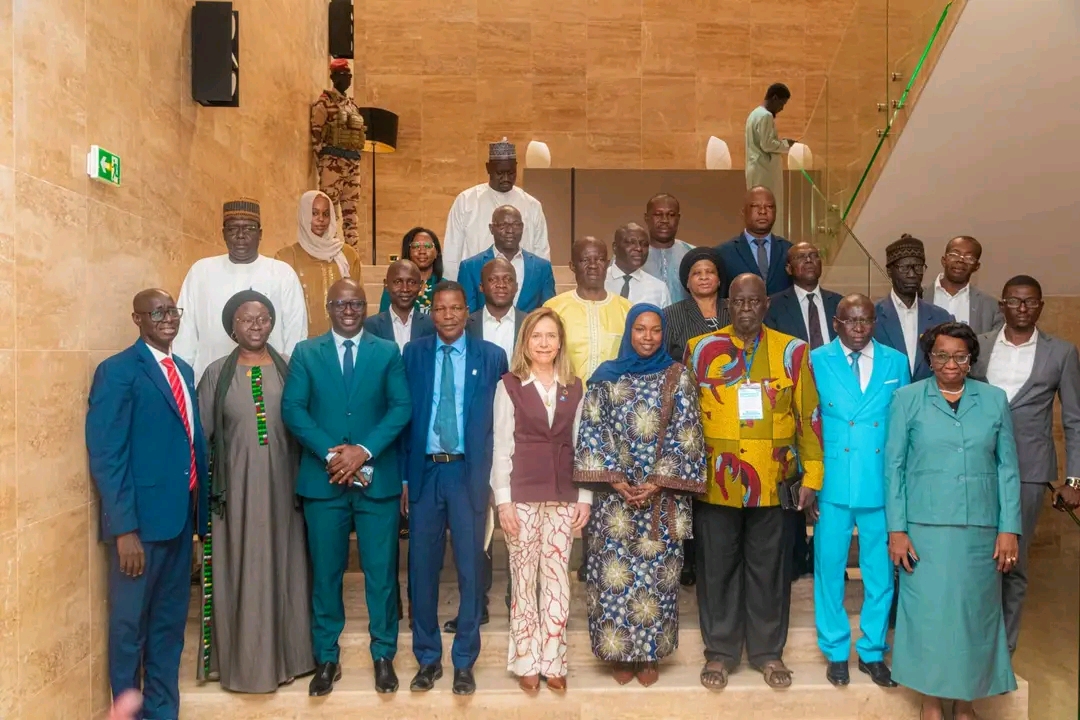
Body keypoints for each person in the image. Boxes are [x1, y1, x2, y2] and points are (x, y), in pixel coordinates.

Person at [687, 273, 823, 691]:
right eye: (738, 302)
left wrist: (813, 475)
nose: (746, 308)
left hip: (774, 479)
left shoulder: (793, 351)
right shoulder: (700, 349)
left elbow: (809, 416)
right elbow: (686, 420)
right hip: (716, 481)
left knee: (770, 571)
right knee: (717, 569)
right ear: (727, 305)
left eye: (754, 301)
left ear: (766, 305)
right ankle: (720, 653)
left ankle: (767, 653)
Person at [281, 279, 412, 696]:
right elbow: (293, 409)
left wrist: (363, 451)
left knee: (381, 574)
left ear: (366, 305)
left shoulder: (387, 351)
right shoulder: (306, 352)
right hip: (324, 483)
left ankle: (383, 655)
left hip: (378, 481)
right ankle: (326, 657)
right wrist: (333, 455)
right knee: (326, 574)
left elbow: (401, 407)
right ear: (328, 307)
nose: (349, 310)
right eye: (340, 303)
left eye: (356, 303)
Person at [885, 322, 1021, 720]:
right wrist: (897, 530)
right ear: (929, 359)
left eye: (960, 356)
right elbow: (893, 468)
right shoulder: (907, 399)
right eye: (942, 355)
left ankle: (965, 703)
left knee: (974, 618)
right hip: (925, 531)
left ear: (971, 359)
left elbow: (1008, 468)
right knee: (929, 617)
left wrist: (1009, 528)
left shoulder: (994, 400)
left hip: (981, 530)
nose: (951, 363)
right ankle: (930, 702)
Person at [86, 289, 210, 720]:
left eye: (172, 311)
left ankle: (162, 710)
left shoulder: (184, 370)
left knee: (168, 627)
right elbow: (107, 454)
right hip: (138, 530)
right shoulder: (117, 371)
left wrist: (198, 521)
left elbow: (189, 444)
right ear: (137, 318)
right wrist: (124, 530)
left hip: (179, 522)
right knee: (129, 628)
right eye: (156, 313)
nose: (167, 318)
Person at [575, 305, 707, 687]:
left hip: (661, 501)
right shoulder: (605, 376)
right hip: (613, 501)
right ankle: (620, 654)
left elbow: (689, 432)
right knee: (613, 578)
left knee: (656, 581)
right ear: (629, 332)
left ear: (663, 334)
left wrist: (657, 481)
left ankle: (649, 654)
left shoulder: (678, 376)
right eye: (640, 329)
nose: (647, 337)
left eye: (654, 330)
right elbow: (592, 429)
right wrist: (616, 480)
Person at [195, 290, 314, 693]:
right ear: (232, 327)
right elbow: (202, 439)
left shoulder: (290, 368)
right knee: (243, 571)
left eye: (263, 318)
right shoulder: (216, 374)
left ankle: (291, 658)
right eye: (246, 319)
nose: (256, 326)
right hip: (236, 497)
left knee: (287, 567)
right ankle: (245, 665)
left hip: (285, 490)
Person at [401, 281, 509, 695]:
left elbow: (500, 422)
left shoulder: (491, 356)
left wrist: (495, 480)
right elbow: (405, 418)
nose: (448, 315)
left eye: (456, 308)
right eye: (440, 308)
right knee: (422, 569)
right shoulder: (413, 354)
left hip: (469, 474)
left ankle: (464, 660)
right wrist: (406, 477)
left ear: (468, 312)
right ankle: (427, 658)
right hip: (426, 473)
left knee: (471, 569)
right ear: (432, 313)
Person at [971, 275, 1080, 653]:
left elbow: (1074, 420)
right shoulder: (979, 345)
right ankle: (974, 644)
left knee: (1013, 559)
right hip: (977, 466)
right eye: (1014, 301)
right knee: (978, 557)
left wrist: (1075, 480)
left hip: (1030, 470)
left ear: (1040, 306)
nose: (1022, 308)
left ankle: (1004, 650)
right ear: (1001, 305)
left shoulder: (1061, 352)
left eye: (1030, 301)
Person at [811, 294, 909, 689]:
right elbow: (808, 421)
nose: (857, 327)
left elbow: (903, 425)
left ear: (875, 322)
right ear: (836, 323)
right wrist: (808, 480)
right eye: (850, 320)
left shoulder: (895, 362)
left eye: (865, 320)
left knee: (880, 572)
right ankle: (836, 651)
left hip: (879, 481)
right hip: (832, 481)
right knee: (829, 569)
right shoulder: (816, 359)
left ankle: (872, 651)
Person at [492, 308, 592, 692]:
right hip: (522, 494)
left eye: (551, 336)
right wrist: (503, 501)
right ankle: (526, 660)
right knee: (524, 578)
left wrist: (585, 497)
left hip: (564, 495)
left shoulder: (575, 387)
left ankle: (554, 660)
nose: (544, 343)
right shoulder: (510, 385)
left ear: (560, 342)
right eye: (537, 336)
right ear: (525, 342)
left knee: (557, 578)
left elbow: (584, 445)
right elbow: (501, 446)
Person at [764, 241, 842, 580]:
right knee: (795, 476)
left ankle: (828, 556)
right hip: (793, 402)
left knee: (831, 474)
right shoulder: (773, 305)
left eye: (814, 256)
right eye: (800, 258)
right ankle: (797, 555)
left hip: (836, 402)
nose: (809, 261)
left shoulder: (838, 303)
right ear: (788, 268)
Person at [173, 199, 308, 380]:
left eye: (249, 228)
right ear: (223, 234)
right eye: (232, 228)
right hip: (210, 379)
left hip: (268, 381)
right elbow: (185, 333)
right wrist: (182, 380)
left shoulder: (282, 274)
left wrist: (289, 380)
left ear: (260, 234)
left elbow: (295, 333)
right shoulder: (201, 271)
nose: (241, 235)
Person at [661, 247, 729, 587]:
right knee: (689, 488)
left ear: (719, 278)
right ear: (686, 282)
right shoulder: (672, 315)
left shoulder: (736, 308)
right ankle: (689, 561)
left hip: (732, 415)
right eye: (696, 273)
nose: (704, 277)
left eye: (709, 272)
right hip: (688, 414)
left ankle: (722, 560)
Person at [443, 139, 550, 281]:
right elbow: (452, 250)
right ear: (488, 168)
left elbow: (541, 252)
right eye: (500, 173)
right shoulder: (466, 201)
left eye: (511, 173)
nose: (506, 178)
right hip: (476, 284)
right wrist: (452, 286)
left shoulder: (532, 205)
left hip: (521, 285)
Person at [275, 190, 362, 337]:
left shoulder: (347, 255)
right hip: (302, 342)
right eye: (314, 213)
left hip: (341, 341)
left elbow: (358, 302)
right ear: (303, 215)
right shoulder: (286, 257)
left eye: (326, 214)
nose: (321, 219)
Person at [544, 237, 634, 380]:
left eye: (600, 260)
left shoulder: (627, 309)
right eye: (585, 260)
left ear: (607, 264)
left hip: (614, 392)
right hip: (564, 391)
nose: (593, 265)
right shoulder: (553, 308)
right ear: (572, 266)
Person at [873, 234, 953, 382]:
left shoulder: (941, 318)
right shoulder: (872, 315)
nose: (912, 274)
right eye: (904, 268)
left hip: (928, 395)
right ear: (889, 271)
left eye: (918, 267)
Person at [458, 205, 556, 313]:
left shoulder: (542, 267)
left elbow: (548, 311)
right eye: (503, 225)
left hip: (529, 324)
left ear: (522, 227)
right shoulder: (470, 267)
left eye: (516, 225)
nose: (510, 230)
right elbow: (467, 314)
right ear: (491, 228)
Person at [310, 58, 365, 246]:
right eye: (342, 75)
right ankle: (329, 250)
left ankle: (352, 253)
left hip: (352, 163)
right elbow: (316, 133)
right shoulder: (325, 102)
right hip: (332, 162)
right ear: (333, 77)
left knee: (351, 212)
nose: (347, 79)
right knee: (329, 211)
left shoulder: (352, 106)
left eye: (349, 75)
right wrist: (322, 163)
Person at [716, 187, 793, 297]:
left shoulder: (789, 250)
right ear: (743, 212)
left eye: (769, 206)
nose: (763, 211)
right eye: (755, 206)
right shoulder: (723, 253)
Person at [925, 235, 1003, 335]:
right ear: (944, 260)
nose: (960, 260)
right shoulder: (920, 295)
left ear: (976, 266)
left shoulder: (990, 306)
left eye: (969, 258)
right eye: (955, 254)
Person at [745, 83, 795, 231]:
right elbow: (767, 144)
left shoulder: (754, 114)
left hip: (755, 168)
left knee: (756, 210)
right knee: (768, 209)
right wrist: (786, 145)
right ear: (775, 98)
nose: (782, 108)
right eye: (782, 104)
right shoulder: (765, 116)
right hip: (764, 171)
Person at [364, 260, 436, 352]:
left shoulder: (431, 325)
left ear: (420, 286)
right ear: (386, 284)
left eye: (411, 282)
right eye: (398, 282)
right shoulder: (370, 326)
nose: (405, 289)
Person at [641, 193, 695, 304]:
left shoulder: (693, 254)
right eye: (658, 214)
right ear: (646, 218)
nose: (664, 220)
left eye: (671, 215)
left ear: (678, 218)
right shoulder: (631, 256)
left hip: (686, 315)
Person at [604, 222, 672, 307]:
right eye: (631, 243)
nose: (639, 248)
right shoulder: (600, 282)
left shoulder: (659, 289)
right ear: (615, 247)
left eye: (644, 244)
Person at [379, 227, 444, 314]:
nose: (422, 251)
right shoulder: (394, 286)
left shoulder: (445, 286)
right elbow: (383, 318)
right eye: (416, 246)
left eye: (428, 246)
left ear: (436, 252)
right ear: (408, 252)